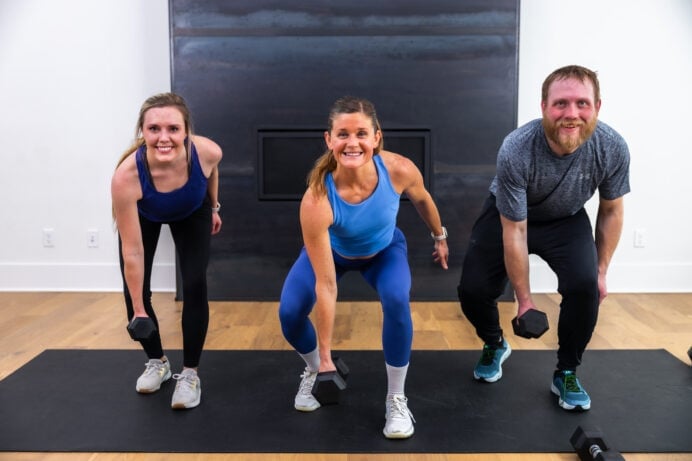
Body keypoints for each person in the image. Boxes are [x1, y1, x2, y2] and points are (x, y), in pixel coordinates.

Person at [457, 65, 630, 411]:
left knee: (585, 287)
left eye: (582, 103)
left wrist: (601, 270)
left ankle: (566, 371)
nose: (571, 114)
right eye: (561, 104)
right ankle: (494, 343)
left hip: (566, 219)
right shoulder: (517, 148)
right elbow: (516, 229)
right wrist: (525, 301)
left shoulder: (611, 147)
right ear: (543, 107)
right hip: (509, 215)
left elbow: (611, 210)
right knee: (472, 290)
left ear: (597, 106)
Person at [278, 96, 449, 439]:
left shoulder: (398, 169)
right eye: (342, 134)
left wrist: (439, 236)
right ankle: (315, 369)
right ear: (329, 140)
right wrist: (324, 358)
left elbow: (423, 199)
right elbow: (326, 287)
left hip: (383, 252)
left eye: (361, 133)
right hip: (334, 254)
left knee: (397, 299)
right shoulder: (317, 199)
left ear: (376, 137)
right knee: (290, 312)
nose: (352, 142)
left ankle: (396, 397)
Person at [111, 92, 223, 409]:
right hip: (147, 211)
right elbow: (132, 253)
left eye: (173, 128)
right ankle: (157, 362)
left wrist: (214, 206)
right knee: (134, 288)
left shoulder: (207, 152)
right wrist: (138, 310)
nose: (164, 137)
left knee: (195, 282)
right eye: (154, 129)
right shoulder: (126, 178)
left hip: (192, 210)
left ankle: (189, 374)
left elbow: (212, 170)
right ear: (142, 132)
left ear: (186, 131)